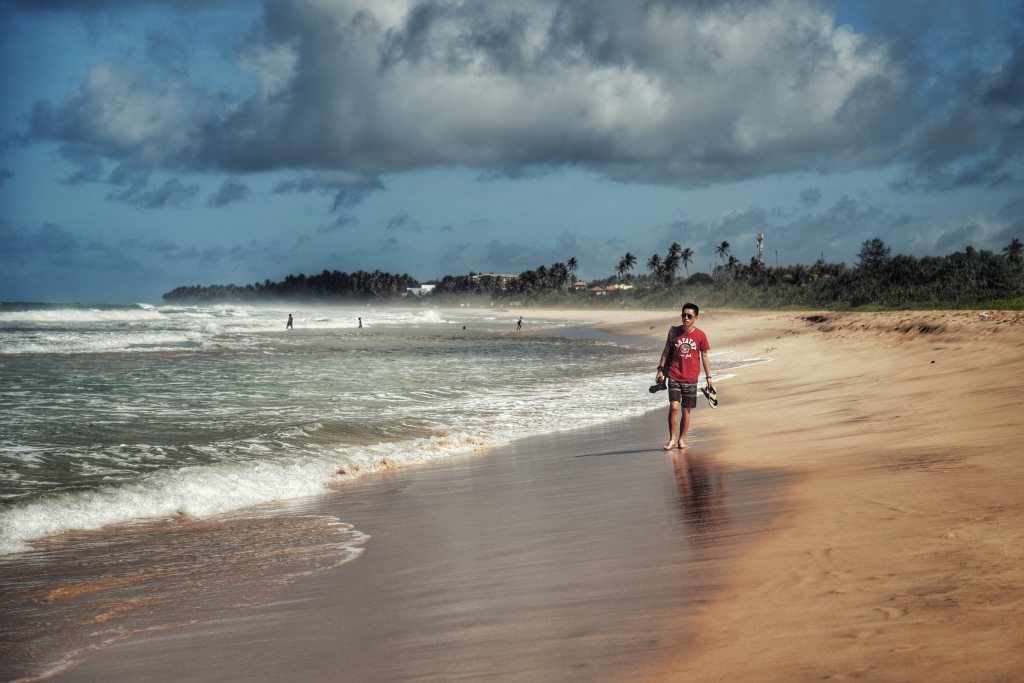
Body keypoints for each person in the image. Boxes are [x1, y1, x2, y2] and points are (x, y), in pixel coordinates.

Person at [655, 303, 713, 450]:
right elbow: (666, 351)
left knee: (686, 410)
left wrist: (708, 377)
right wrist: (660, 370)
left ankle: (681, 440)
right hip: (674, 374)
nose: (685, 318)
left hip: (691, 377)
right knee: (674, 407)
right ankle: (672, 439)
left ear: (696, 318)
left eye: (689, 316)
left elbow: (705, 357)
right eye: (683, 315)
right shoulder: (674, 332)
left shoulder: (701, 335)